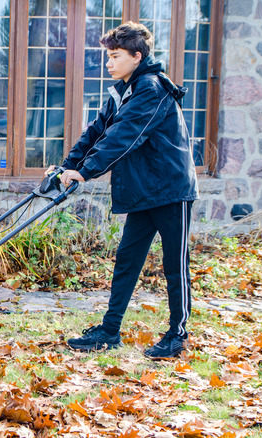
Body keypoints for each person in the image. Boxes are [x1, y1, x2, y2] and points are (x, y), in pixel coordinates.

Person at [45, 22, 198, 359]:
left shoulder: (151, 89)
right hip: (144, 190)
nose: (109, 63)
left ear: (137, 56)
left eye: (115, 56)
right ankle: (110, 330)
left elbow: (124, 136)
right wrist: (66, 166)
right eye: (108, 56)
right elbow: (98, 131)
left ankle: (177, 335)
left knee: (175, 265)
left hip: (171, 190)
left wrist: (85, 171)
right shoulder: (123, 91)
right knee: (127, 262)